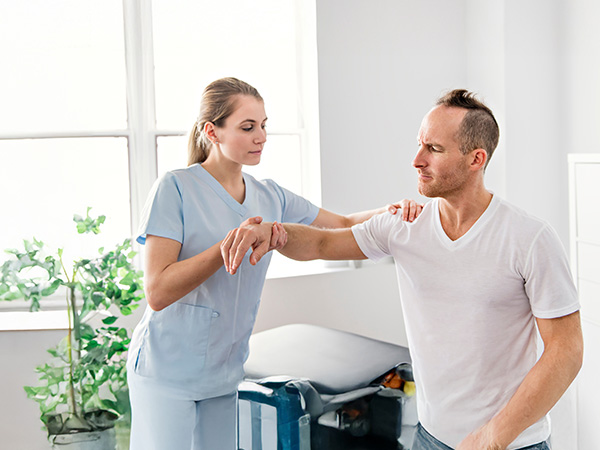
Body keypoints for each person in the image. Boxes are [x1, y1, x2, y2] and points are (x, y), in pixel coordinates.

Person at [222, 89, 584, 450]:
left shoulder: (529, 238)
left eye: (434, 149)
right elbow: (323, 243)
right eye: (419, 144)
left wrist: (493, 437)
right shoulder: (405, 225)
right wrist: (272, 233)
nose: (416, 160)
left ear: (476, 159)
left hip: (511, 443)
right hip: (429, 437)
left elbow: (566, 352)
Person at [125, 77, 421, 450]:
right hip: (166, 371)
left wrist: (394, 212)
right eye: (247, 127)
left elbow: (343, 224)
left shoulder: (269, 196)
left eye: (263, 126)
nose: (260, 136)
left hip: (222, 375)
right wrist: (227, 246)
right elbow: (157, 291)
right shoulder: (176, 188)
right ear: (211, 131)